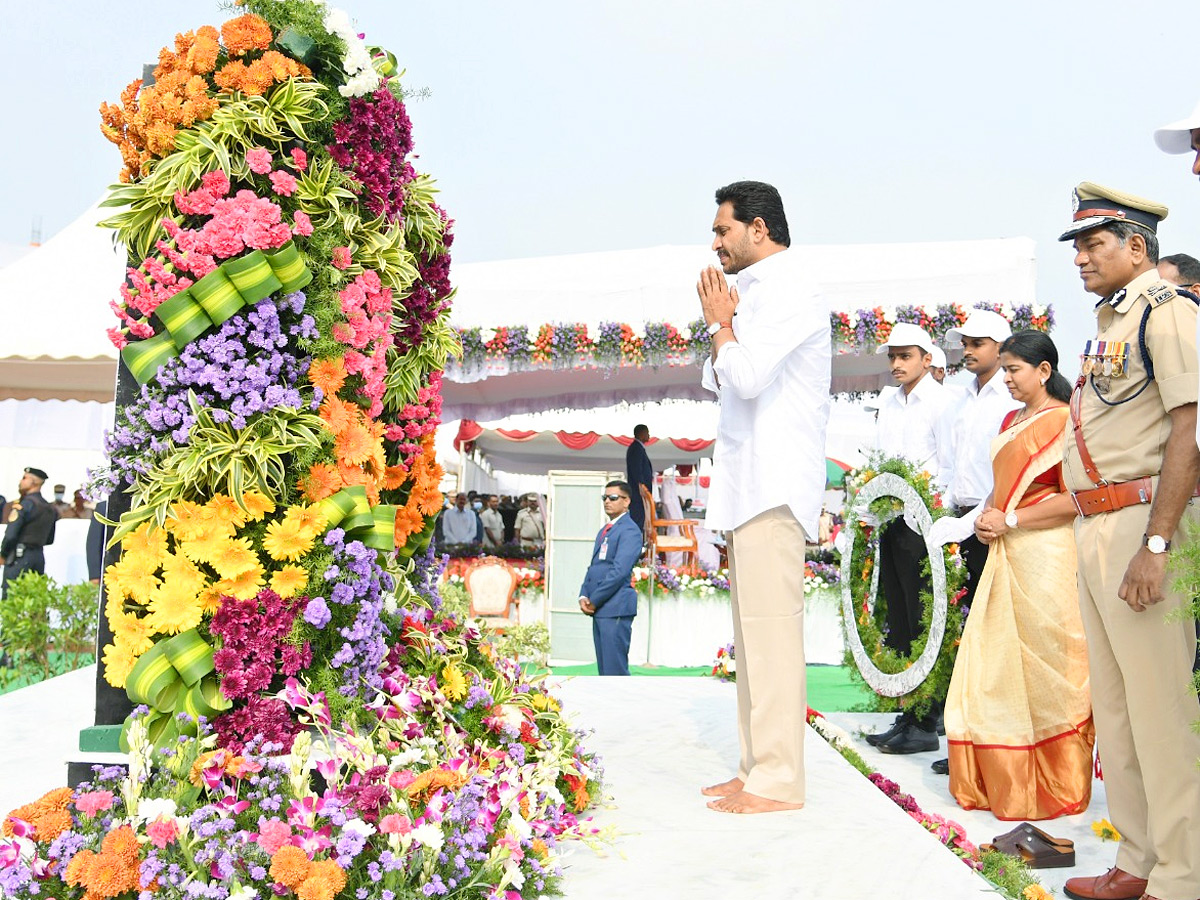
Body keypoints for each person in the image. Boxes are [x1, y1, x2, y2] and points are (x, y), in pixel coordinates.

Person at [1055, 182, 1200, 900]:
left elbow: (1189, 431)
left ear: (1136, 247)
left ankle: (1182, 876)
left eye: (1094, 242)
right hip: (1096, 524)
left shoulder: (1168, 314)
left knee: (1162, 712)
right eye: (1077, 244)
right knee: (1116, 712)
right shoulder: (1112, 321)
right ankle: (1137, 861)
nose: (1081, 256)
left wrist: (1159, 543)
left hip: (1142, 525)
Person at [696, 180, 831, 814]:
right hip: (749, 485)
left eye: (723, 229)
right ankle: (756, 768)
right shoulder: (756, 293)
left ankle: (779, 781)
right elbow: (715, 374)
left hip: (774, 486)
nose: (715, 241)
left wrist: (724, 328)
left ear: (758, 227)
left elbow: (743, 377)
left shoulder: (791, 286)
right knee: (751, 642)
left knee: (773, 639)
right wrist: (726, 328)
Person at [942, 330, 1093, 819]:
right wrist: (985, 520)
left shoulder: (1067, 422)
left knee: (1050, 663)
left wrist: (1010, 520)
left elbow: (1074, 498)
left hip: (1046, 554)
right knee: (999, 665)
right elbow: (1000, 489)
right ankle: (1003, 780)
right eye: (1003, 368)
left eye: (1013, 369)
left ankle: (1057, 782)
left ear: (1044, 371)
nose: (1005, 378)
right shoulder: (1011, 420)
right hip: (1005, 551)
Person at [923, 308, 1020, 774]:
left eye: (977, 343)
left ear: (1001, 349)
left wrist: (976, 519)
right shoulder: (961, 400)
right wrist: (941, 511)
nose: (967, 351)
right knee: (963, 632)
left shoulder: (1011, 398)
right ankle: (967, 742)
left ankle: (993, 745)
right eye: (964, 343)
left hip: (995, 524)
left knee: (994, 634)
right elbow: (949, 464)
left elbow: (1009, 471)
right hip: (960, 522)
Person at [864, 322, 950, 755]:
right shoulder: (887, 400)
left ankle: (927, 718)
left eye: (905, 356)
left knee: (924, 618)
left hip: (925, 519)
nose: (896, 364)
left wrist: (928, 508)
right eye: (892, 357)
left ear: (927, 359)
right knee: (898, 617)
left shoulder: (941, 401)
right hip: (890, 516)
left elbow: (946, 464)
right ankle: (910, 713)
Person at [577, 481, 642, 676]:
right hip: (601, 607)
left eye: (613, 498)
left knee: (614, 669)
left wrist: (594, 599)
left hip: (615, 606)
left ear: (626, 501)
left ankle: (622, 706)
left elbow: (619, 571)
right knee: (604, 668)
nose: (607, 501)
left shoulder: (629, 530)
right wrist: (583, 595)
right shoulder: (606, 529)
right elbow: (595, 567)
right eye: (604, 498)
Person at [1, 467, 58, 599]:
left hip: (19, 557)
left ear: (34, 482)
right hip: (38, 557)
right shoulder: (49, 508)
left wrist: (3, 555)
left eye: (25, 478)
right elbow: (49, 539)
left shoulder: (25, 505)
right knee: (34, 600)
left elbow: (11, 535)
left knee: (12, 599)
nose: (21, 481)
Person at [625, 424, 655, 534]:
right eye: (647, 433)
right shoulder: (636, 449)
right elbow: (637, 470)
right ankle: (635, 543)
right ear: (641, 434)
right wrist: (642, 486)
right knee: (637, 519)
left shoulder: (639, 448)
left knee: (641, 519)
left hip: (640, 492)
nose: (649, 435)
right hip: (638, 493)